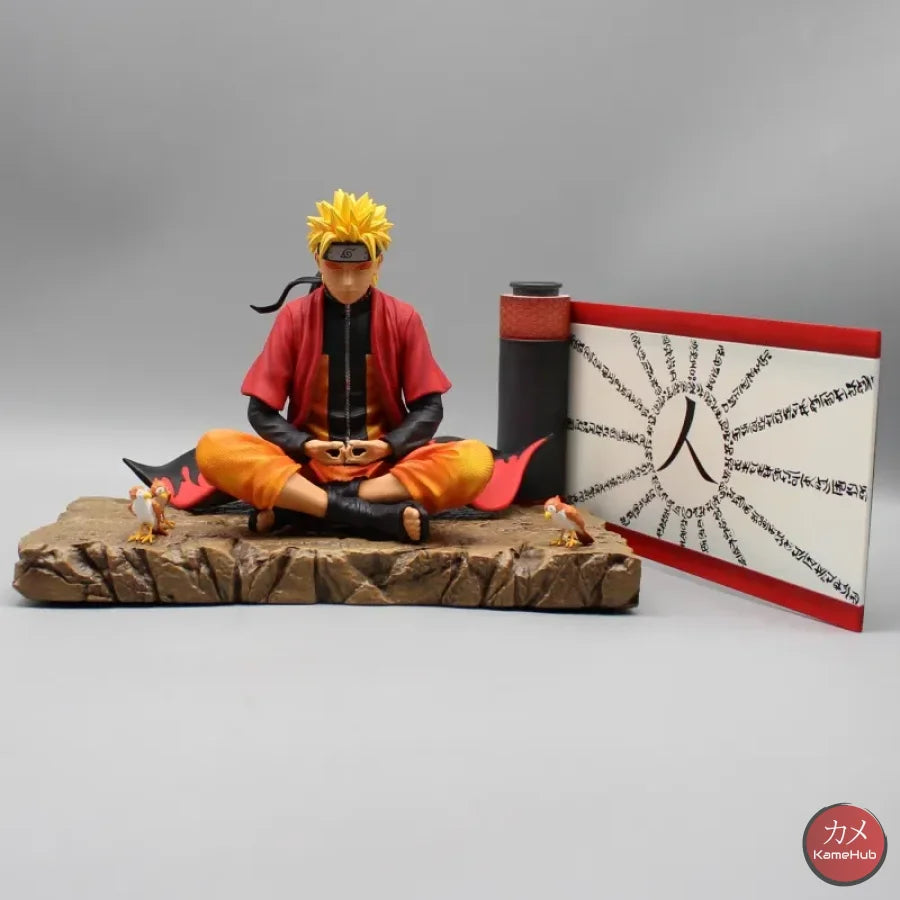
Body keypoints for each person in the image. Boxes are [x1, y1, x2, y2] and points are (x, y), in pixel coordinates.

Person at [195, 189, 495, 543]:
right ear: (318, 261)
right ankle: (372, 515)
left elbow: (429, 407)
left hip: (385, 470)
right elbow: (260, 411)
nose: (348, 282)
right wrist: (306, 445)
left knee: (475, 460)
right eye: (335, 269)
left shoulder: (403, 318)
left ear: (378, 263)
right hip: (307, 466)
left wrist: (388, 446)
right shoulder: (294, 318)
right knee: (214, 448)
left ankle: (303, 509)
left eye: (361, 268)